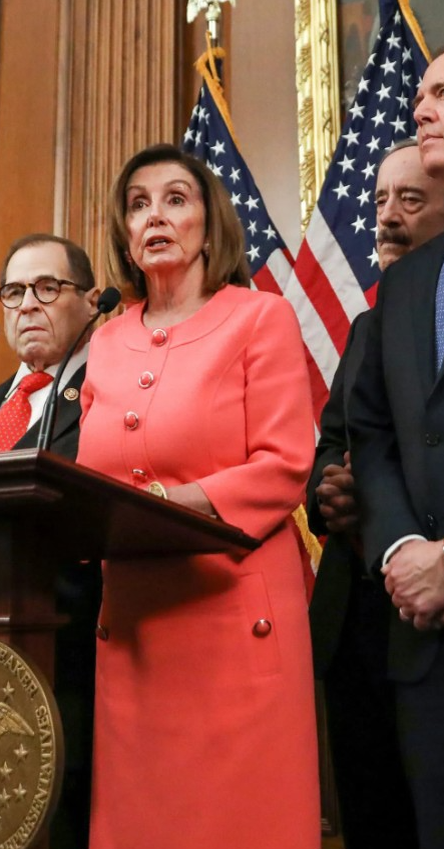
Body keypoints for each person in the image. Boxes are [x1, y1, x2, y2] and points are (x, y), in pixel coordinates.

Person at [76, 143, 320, 849]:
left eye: (175, 199)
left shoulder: (260, 317)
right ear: (126, 234)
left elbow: (284, 465)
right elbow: (91, 475)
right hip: (136, 634)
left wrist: (171, 502)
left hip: (236, 623)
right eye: (138, 204)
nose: (155, 215)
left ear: (210, 227)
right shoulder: (106, 342)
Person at [307, 139, 444, 849]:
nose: (387, 217)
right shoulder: (370, 325)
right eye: (381, 200)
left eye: (410, 199)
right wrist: (327, 491)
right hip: (358, 622)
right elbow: (333, 443)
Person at [348, 51, 444, 849]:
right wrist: (403, 547)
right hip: (425, 645)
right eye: (420, 96)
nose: (421, 109)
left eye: (443, 93)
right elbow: (373, 437)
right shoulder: (405, 287)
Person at [0, 233, 102, 849]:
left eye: (47, 287)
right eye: (14, 292)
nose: (28, 305)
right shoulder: (2, 401)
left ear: (91, 301)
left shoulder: (110, 394)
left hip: (65, 651)